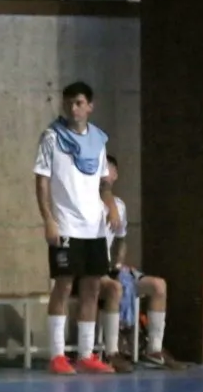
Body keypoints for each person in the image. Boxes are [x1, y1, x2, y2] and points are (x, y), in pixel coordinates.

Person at [34, 82, 119, 375]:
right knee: (64, 284)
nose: (73, 108)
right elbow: (42, 180)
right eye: (69, 102)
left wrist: (110, 205)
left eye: (79, 102)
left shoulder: (98, 140)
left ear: (90, 106)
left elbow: (104, 180)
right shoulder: (51, 137)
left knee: (93, 287)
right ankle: (57, 354)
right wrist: (48, 218)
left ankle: (86, 354)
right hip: (66, 224)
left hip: (93, 226)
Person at [102, 156, 185, 369]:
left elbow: (121, 240)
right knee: (116, 287)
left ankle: (154, 349)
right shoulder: (87, 203)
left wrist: (119, 263)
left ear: (116, 175)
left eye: (110, 170)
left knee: (158, 285)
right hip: (95, 270)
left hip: (114, 268)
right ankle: (113, 351)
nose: (106, 174)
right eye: (102, 169)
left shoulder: (119, 206)